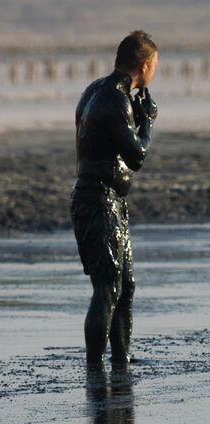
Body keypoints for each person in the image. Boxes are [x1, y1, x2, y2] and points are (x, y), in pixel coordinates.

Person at [71, 30, 159, 368]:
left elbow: (107, 137)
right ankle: (95, 367)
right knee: (107, 286)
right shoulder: (112, 97)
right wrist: (147, 123)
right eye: (154, 67)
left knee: (125, 284)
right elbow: (136, 155)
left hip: (107, 199)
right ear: (144, 64)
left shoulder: (94, 91)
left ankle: (120, 361)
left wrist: (136, 117)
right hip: (97, 199)